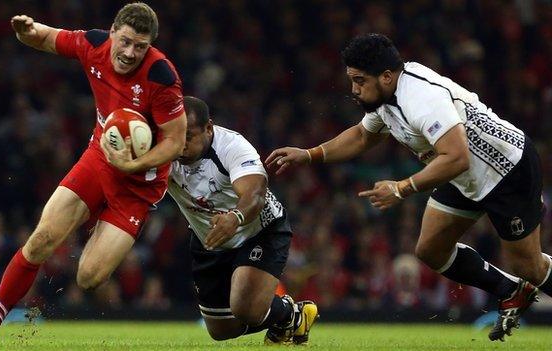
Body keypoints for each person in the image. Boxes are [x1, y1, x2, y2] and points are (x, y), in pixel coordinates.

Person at [266, 33, 551, 342]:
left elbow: (456, 156)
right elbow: (363, 136)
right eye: (352, 79)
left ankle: (520, 283)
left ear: (386, 77)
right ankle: (510, 291)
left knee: (529, 266)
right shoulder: (387, 97)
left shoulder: (420, 98)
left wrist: (402, 188)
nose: (354, 89)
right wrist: (309, 155)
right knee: (430, 249)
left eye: (360, 80)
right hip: (461, 171)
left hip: (505, 169)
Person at [0, 2, 187, 347]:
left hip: (140, 185)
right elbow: (45, 38)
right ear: (112, 32)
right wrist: (25, 31)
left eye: (141, 46)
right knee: (42, 239)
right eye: (125, 41)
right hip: (99, 159)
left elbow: (176, 141)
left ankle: (102, 223)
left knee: (89, 278)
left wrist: (133, 164)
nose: (130, 52)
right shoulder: (93, 45)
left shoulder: (160, 76)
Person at [108, 95, 318, 344]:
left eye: (189, 136)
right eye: (176, 135)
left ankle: (288, 316)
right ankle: (286, 317)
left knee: (245, 309)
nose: (181, 145)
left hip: (258, 230)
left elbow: (255, 193)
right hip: (210, 238)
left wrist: (235, 216)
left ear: (209, 128)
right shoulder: (163, 149)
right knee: (221, 331)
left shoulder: (233, 146)